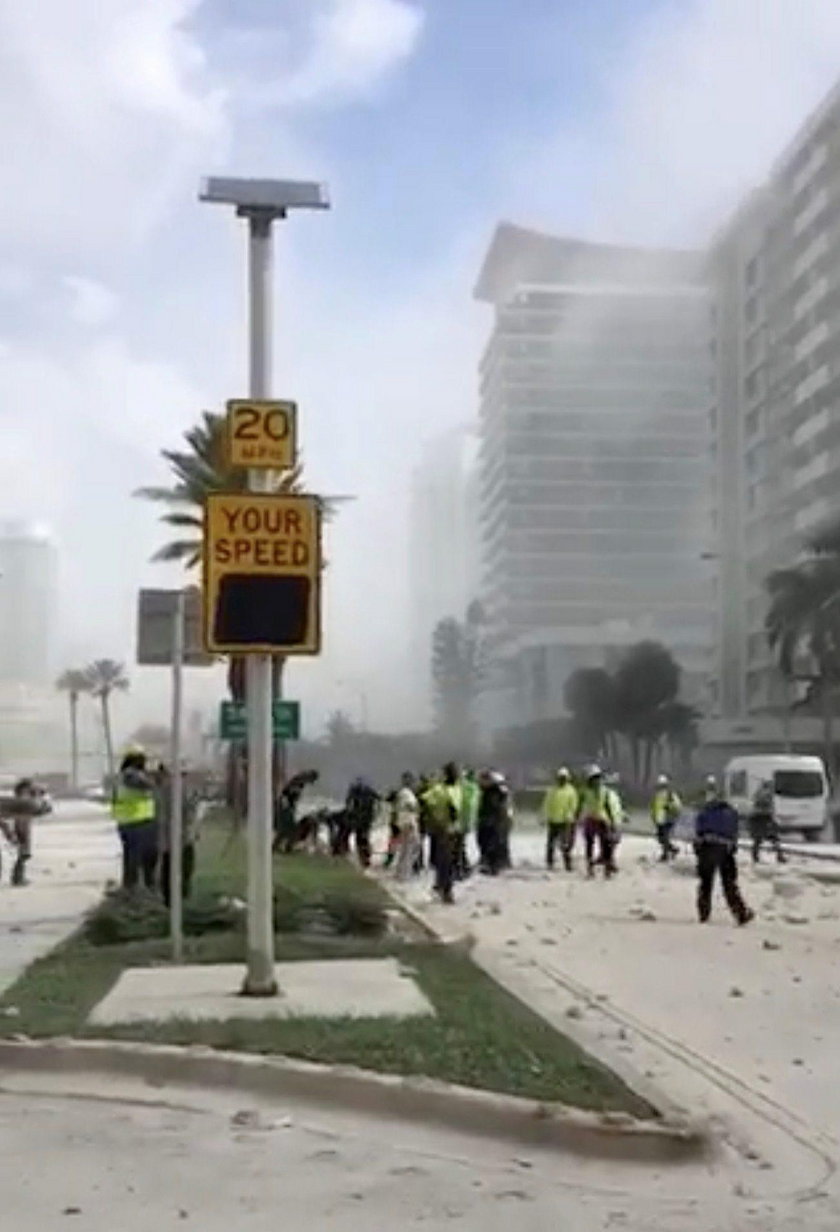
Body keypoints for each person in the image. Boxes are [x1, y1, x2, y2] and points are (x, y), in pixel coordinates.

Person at [694, 784, 754, 925]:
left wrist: (698, 849)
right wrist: (732, 848)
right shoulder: (731, 812)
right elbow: (734, 832)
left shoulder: (704, 812)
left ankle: (704, 914)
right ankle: (741, 913)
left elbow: (698, 831)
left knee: (705, 884)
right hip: (724, 850)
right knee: (729, 884)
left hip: (707, 847)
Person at [111, 748, 158, 891]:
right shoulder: (132, 775)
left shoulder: (121, 776)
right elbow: (149, 785)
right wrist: (156, 778)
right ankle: (136, 888)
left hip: (127, 822)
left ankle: (130, 888)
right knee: (139, 858)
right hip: (137, 821)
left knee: (131, 857)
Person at [156, 765, 199, 909]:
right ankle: (178, 902)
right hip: (180, 839)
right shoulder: (176, 789)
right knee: (181, 871)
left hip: (170, 840)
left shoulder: (163, 789)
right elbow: (188, 812)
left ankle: (171, 902)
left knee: (170, 872)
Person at [425, 762, 463, 903]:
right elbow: (425, 802)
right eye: (453, 772)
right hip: (442, 830)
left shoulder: (457, 789)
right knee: (444, 861)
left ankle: (441, 886)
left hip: (454, 829)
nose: (456, 775)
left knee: (451, 861)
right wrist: (435, 820)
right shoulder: (438, 789)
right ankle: (445, 890)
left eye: (456, 772)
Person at [0, 779, 46, 886]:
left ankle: (18, 877)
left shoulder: (20, 803)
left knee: (22, 854)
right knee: (23, 854)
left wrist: (9, 832)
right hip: (21, 833)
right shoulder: (25, 803)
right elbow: (41, 808)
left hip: (19, 831)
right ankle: (18, 878)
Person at [577, 765, 620, 878]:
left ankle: (608, 869)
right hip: (590, 819)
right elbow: (580, 805)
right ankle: (590, 869)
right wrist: (577, 817)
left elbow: (608, 807)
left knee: (606, 845)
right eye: (594, 778)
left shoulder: (605, 791)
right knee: (589, 845)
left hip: (602, 819)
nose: (597, 781)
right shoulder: (585, 792)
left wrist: (613, 821)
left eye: (598, 778)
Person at [273, 770, 320, 854]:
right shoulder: (298, 781)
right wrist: (287, 805)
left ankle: (280, 847)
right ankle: (283, 847)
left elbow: (291, 795)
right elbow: (286, 793)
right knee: (288, 829)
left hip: (287, 806)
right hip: (285, 806)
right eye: (312, 781)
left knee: (286, 829)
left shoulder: (300, 782)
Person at [541, 768, 579, 871]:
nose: (562, 780)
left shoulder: (571, 791)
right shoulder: (552, 790)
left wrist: (570, 815)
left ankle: (568, 864)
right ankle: (550, 863)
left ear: (567, 778)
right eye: (560, 778)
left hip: (565, 821)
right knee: (550, 844)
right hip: (553, 820)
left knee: (565, 844)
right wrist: (544, 815)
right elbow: (546, 803)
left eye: (564, 778)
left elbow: (573, 805)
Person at [476, 770, 509, 875]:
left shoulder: (496, 792)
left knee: (492, 843)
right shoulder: (486, 791)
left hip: (493, 821)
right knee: (484, 842)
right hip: (486, 820)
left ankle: (494, 866)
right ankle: (489, 864)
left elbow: (498, 807)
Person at [344, 777, 380, 868]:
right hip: (365, 819)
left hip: (360, 819)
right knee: (362, 838)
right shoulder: (370, 792)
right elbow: (379, 803)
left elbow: (349, 804)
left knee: (358, 838)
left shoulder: (355, 792)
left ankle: (363, 858)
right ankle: (365, 858)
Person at [749, 779, 786, 865]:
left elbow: (756, 802)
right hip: (763, 817)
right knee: (773, 838)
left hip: (759, 817)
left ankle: (755, 856)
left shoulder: (759, 792)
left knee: (758, 839)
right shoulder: (766, 793)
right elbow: (763, 803)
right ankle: (779, 856)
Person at [392, 772, 421, 880]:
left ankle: (401, 872)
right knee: (410, 849)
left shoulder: (403, 793)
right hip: (408, 823)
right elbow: (411, 807)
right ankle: (404, 874)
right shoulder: (406, 793)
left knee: (406, 848)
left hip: (405, 822)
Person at [650, 774, 682, 862]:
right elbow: (654, 806)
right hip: (659, 819)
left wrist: (669, 806)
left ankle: (665, 855)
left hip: (668, 819)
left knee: (665, 837)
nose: (661, 786)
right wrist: (653, 816)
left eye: (662, 785)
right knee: (660, 839)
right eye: (660, 785)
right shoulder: (657, 795)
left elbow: (678, 805)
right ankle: (674, 850)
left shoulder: (670, 794)